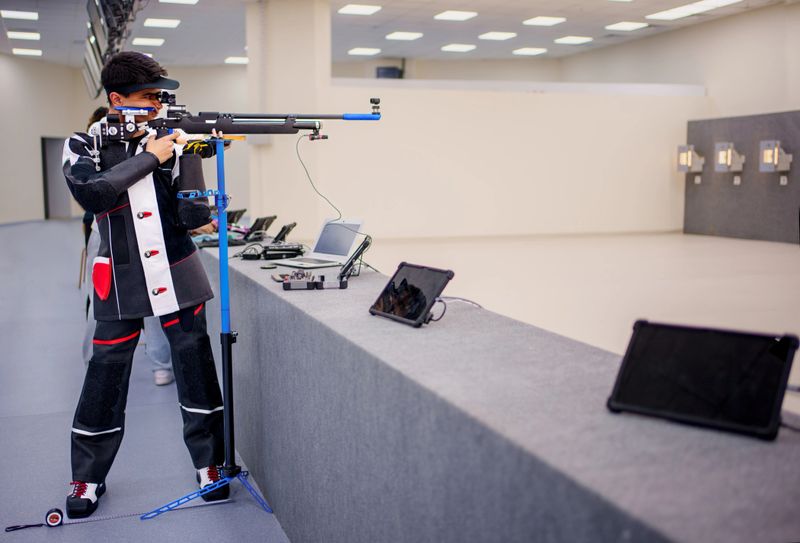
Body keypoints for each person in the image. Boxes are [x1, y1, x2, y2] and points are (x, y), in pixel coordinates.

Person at [62, 51, 228, 519]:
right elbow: (92, 192)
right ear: (117, 99)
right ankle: (87, 478)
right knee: (105, 376)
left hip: (177, 271)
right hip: (118, 277)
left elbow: (193, 217)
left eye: (162, 98)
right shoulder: (81, 145)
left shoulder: (170, 141)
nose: (158, 105)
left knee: (196, 366)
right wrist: (150, 157)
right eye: (149, 97)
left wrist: (193, 156)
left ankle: (209, 465)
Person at [81, 108, 177, 386]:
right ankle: (98, 364)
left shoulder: (146, 139)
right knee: (103, 298)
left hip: (135, 229)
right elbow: (93, 190)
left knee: (153, 297)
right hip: (108, 231)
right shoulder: (93, 144)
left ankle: (160, 365)